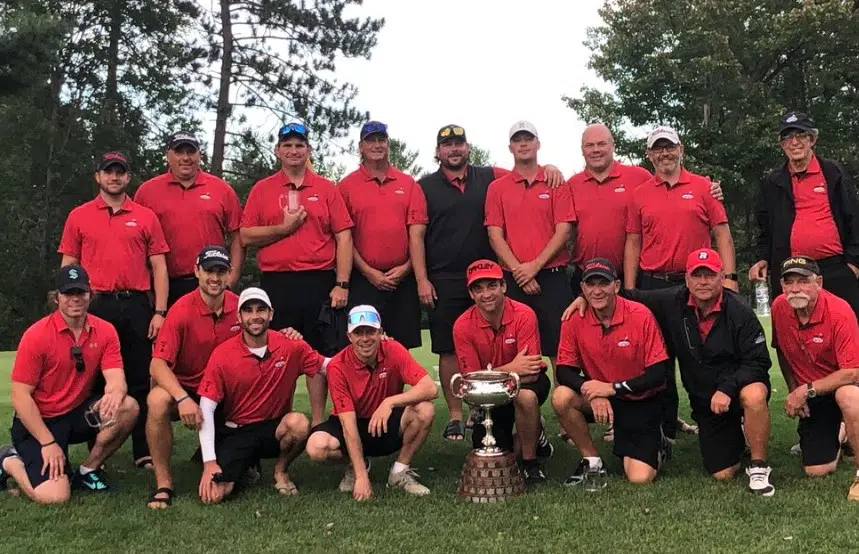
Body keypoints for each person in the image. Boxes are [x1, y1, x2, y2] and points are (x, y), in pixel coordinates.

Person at [563, 249, 774, 494]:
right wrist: (584, 297)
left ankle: (759, 465)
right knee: (722, 473)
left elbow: (758, 364)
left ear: (721, 278)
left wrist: (727, 389)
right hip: (706, 401)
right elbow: (626, 294)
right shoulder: (674, 300)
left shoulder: (740, 311)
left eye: (709, 275)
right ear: (687, 279)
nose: (703, 282)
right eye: (697, 276)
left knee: (755, 394)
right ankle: (738, 435)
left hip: (734, 389)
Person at [411, 124, 564, 441]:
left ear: (467, 148)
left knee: (505, 337)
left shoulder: (490, 176)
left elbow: (522, 172)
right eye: (447, 145)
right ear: (438, 151)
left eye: (459, 144)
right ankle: (458, 414)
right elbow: (417, 235)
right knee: (449, 348)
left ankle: (518, 408)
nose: (454, 149)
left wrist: (550, 167)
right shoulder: (423, 186)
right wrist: (422, 279)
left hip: (488, 277)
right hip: (445, 277)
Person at [623, 126, 738, 446]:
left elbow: (722, 233)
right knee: (656, 360)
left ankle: (719, 421)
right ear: (649, 155)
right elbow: (633, 241)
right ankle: (663, 431)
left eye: (669, 147)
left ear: (681, 149)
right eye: (657, 149)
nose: (664, 154)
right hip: (652, 284)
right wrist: (631, 290)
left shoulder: (704, 187)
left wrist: (729, 277)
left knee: (702, 356)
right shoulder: (640, 193)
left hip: (696, 284)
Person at [58, 151, 169, 471]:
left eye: (120, 172)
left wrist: (160, 311)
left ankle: (143, 450)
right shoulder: (79, 215)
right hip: (95, 304)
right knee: (92, 379)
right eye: (109, 172)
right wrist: (68, 308)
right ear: (98, 177)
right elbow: (69, 265)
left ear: (128, 177)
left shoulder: (145, 215)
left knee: (139, 377)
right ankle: (98, 448)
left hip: (135, 303)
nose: (114, 177)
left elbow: (159, 267)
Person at [240, 122, 354, 426]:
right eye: (287, 145)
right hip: (277, 283)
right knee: (275, 354)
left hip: (319, 281)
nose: (293, 150)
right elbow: (246, 235)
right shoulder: (263, 189)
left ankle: (317, 424)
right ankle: (276, 423)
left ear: (309, 150)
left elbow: (344, 237)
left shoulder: (327, 189)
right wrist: (283, 229)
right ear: (278, 151)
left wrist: (341, 283)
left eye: (299, 145)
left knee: (316, 356)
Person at [0, 265, 139, 504]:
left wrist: (115, 392)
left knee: (128, 407)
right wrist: (48, 442)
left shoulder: (105, 331)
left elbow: (116, 376)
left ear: (90, 295)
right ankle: (9, 459)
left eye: (80, 293)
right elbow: (20, 396)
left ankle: (87, 471)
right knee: (56, 496)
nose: (75, 299)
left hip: (75, 415)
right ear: (57, 298)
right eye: (68, 293)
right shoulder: (37, 335)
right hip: (38, 422)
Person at [196, 287, 329, 503]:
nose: (255, 316)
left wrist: (367, 349)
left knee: (299, 424)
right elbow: (206, 407)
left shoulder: (291, 345)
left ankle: (281, 471)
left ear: (271, 314)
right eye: (248, 311)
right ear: (239, 317)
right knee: (215, 496)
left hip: (273, 429)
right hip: (236, 431)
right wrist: (209, 462)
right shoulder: (222, 354)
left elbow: (328, 366)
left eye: (261, 309)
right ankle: (246, 464)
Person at [553, 258, 668, 485]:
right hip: (600, 394)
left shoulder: (640, 314)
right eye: (591, 284)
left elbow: (658, 374)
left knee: (640, 478)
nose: (597, 291)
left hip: (639, 399)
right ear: (583, 289)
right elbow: (564, 371)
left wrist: (611, 389)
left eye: (603, 284)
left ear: (616, 286)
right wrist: (593, 392)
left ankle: (658, 441)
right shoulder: (573, 319)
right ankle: (592, 461)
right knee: (561, 397)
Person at [306, 305, 437, 501]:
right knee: (317, 447)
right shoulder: (337, 366)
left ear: (380, 332)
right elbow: (348, 426)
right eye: (358, 333)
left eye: (370, 331)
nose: (365, 338)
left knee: (425, 410)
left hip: (384, 421)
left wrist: (389, 402)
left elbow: (430, 388)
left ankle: (399, 473)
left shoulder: (393, 349)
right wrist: (361, 477)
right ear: (349, 337)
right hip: (352, 421)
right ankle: (356, 465)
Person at [485, 120, 576, 373]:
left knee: (561, 350)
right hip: (512, 278)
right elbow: (495, 235)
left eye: (528, 139)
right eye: (517, 140)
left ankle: (563, 407)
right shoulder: (497, 188)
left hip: (552, 276)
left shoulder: (556, 182)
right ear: (510, 147)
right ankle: (523, 411)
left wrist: (533, 267)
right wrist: (519, 272)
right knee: (514, 350)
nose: (523, 144)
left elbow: (563, 231)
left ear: (538, 144)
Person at [451, 259, 553, 482]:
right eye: (478, 289)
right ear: (471, 294)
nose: (486, 294)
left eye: (492, 286)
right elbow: (470, 382)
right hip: (488, 396)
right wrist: (511, 368)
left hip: (524, 385)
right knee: (496, 454)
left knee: (525, 397)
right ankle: (536, 432)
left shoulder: (524, 314)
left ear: (504, 287)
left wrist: (489, 373)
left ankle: (530, 463)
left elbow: (532, 372)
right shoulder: (462, 325)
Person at [750, 111, 859, 315]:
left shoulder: (833, 173)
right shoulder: (772, 182)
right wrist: (762, 258)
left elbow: (854, 218)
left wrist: (853, 264)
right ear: (782, 144)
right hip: (792, 271)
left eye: (800, 136)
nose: (794, 143)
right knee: (792, 335)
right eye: (788, 138)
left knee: (847, 332)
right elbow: (764, 228)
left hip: (835, 269)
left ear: (812, 139)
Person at [771, 256, 859, 500]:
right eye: (789, 283)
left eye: (803, 281)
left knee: (849, 396)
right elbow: (782, 350)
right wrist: (792, 388)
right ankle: (843, 432)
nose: (795, 288)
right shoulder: (779, 307)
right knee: (817, 470)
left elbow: (852, 372)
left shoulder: (839, 311)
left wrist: (804, 390)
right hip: (813, 393)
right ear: (782, 285)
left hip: (844, 384)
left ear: (818, 282)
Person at [338, 121, 426, 349]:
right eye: (371, 140)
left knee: (400, 349)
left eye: (381, 140)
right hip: (363, 280)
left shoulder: (408, 184)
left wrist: (407, 268)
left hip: (402, 280)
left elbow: (416, 234)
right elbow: (343, 238)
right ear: (361, 146)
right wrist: (369, 272)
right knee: (363, 346)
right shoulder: (346, 186)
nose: (377, 145)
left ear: (388, 144)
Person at [135, 132, 244, 307]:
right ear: (168, 155)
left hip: (212, 281)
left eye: (191, 152)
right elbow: (136, 243)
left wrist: (232, 278)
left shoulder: (221, 189)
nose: (186, 158)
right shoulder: (146, 192)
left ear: (199, 155)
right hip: (165, 286)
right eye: (179, 152)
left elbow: (237, 236)